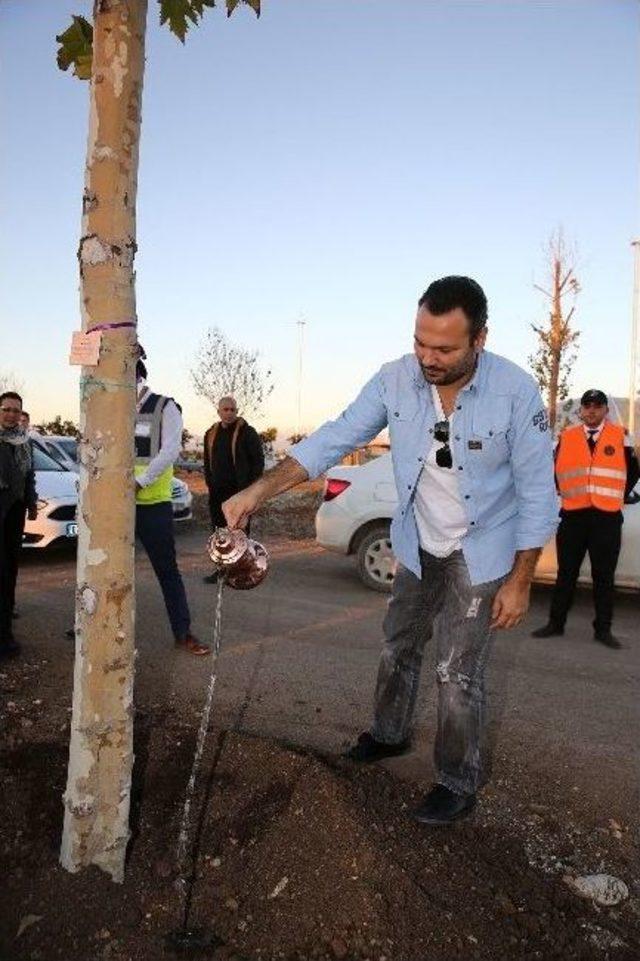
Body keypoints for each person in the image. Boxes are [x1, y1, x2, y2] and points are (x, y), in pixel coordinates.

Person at [222, 276, 558, 826]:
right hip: (417, 542)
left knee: (457, 672)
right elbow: (333, 438)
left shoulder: (516, 394)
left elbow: (540, 496)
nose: (428, 357)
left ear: (480, 339)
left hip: (483, 550)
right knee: (398, 644)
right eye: (420, 342)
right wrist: (259, 489)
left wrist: (521, 580)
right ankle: (388, 733)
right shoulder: (393, 380)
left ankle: (456, 780)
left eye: (444, 348)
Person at [532, 389, 639, 649]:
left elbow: (633, 472)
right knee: (566, 574)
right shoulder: (566, 438)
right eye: (587, 406)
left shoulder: (621, 438)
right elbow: (554, 471)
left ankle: (603, 630)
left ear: (605, 410)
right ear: (581, 411)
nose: (591, 410)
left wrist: (618, 496)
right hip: (573, 516)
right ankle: (555, 624)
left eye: (597, 406)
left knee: (604, 577)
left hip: (607, 518)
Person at [134, 359, 209, 655]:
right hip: (118, 508)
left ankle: (183, 632)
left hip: (152, 504)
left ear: (137, 376)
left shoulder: (165, 407)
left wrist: (140, 482)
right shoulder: (113, 407)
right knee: (106, 568)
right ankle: (88, 625)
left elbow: (170, 451)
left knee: (167, 571)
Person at [202, 396, 264, 584]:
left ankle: (241, 571)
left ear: (237, 411)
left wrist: (250, 490)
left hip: (239, 494)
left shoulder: (248, 433)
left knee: (239, 534)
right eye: (225, 409)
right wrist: (210, 483)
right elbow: (206, 462)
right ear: (219, 411)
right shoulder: (210, 434)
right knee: (220, 534)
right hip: (217, 494)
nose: (229, 413)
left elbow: (258, 462)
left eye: (232, 410)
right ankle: (221, 570)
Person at [1, 392, 37, 658]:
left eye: (15, 410)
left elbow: (28, 476)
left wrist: (32, 503)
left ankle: (6, 621)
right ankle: (4, 639)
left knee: (11, 568)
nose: (11, 414)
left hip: (15, 513)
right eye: (6, 409)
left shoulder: (25, 442)